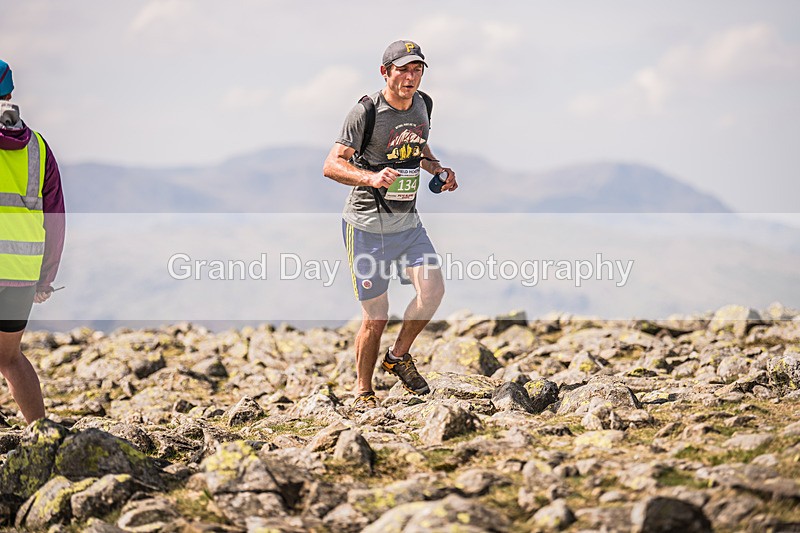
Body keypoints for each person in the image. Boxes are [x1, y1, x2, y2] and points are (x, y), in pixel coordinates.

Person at [322, 40, 458, 410]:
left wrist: (438, 169)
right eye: (403, 70)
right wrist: (370, 178)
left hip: (407, 223)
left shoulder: (423, 104)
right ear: (386, 72)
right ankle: (363, 391)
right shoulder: (365, 111)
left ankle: (398, 357)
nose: (411, 77)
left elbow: (419, 145)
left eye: (417, 70)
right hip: (366, 225)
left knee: (432, 291)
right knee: (376, 317)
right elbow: (332, 164)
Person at [0, 59, 65, 423]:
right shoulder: (38, 148)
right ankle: (42, 437)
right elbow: (54, 220)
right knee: (9, 358)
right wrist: (45, 276)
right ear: (9, 94)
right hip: (22, 272)